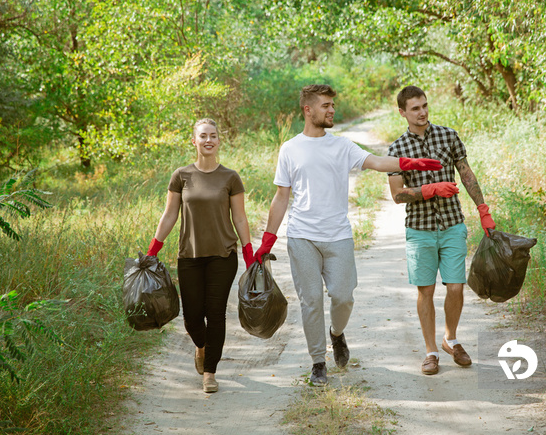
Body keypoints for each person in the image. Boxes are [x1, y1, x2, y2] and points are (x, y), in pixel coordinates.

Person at [253, 84, 443, 385]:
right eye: (326, 105)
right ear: (308, 110)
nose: (332, 110)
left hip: (338, 235)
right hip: (302, 236)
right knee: (311, 300)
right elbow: (281, 196)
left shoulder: (342, 146)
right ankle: (318, 362)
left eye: (332, 105)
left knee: (343, 297)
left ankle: (337, 334)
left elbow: (378, 162)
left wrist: (410, 163)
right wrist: (268, 239)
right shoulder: (289, 149)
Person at [387, 85, 496, 375]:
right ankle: (431, 351)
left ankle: (451, 338)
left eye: (424, 105)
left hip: (452, 224)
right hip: (419, 229)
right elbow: (397, 195)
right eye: (414, 108)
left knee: (456, 287)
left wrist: (482, 209)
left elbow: (466, 173)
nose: (422, 112)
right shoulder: (397, 149)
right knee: (426, 291)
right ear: (402, 113)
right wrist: (428, 190)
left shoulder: (448, 136)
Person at [146, 118, 254, 393]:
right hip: (189, 256)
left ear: (219, 141)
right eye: (203, 136)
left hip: (222, 255)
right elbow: (170, 214)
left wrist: (249, 253)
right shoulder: (181, 175)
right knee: (193, 317)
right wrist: (153, 250)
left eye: (213, 136)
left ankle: (210, 372)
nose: (208, 140)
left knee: (215, 314)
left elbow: (240, 218)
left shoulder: (230, 177)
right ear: (193, 141)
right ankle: (202, 347)